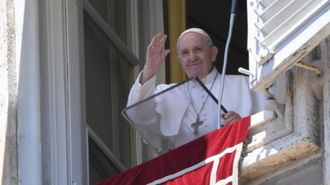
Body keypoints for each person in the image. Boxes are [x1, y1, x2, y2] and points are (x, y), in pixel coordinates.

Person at [126, 28, 265, 153]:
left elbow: (271, 123)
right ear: (179, 61)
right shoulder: (168, 94)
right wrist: (150, 69)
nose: (192, 57)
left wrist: (244, 127)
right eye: (185, 53)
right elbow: (136, 113)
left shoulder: (244, 85)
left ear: (212, 53)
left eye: (198, 49)